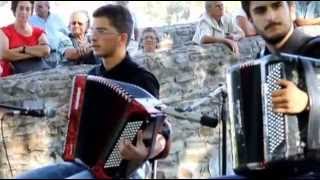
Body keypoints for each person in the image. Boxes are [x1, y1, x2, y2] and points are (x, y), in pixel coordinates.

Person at [16, 4, 171, 179]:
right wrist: (72, 115)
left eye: (102, 31)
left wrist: (144, 152)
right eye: (93, 30)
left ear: (122, 38)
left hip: (122, 169)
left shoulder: (141, 79)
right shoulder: (92, 76)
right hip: (87, 163)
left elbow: (161, 133)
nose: (93, 37)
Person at [215, 1, 320, 179]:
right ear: (250, 18)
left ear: (291, 8)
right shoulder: (256, 66)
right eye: (260, 10)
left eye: (277, 5)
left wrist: (308, 101)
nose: (270, 16)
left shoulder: (315, 49)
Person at [0, 1, 50, 77]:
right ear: (14, 10)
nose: (24, 12)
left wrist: (22, 49)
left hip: (38, 74)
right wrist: (35, 54)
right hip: (12, 77)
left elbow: (46, 51)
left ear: (31, 12)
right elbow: (5, 55)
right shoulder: (5, 31)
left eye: (27, 9)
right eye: (21, 8)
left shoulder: (38, 32)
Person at [29, 1, 69, 67]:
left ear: (48, 7)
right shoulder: (30, 20)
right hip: (40, 56)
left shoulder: (57, 18)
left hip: (58, 54)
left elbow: (67, 33)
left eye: (40, 7)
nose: (36, 9)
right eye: (35, 7)